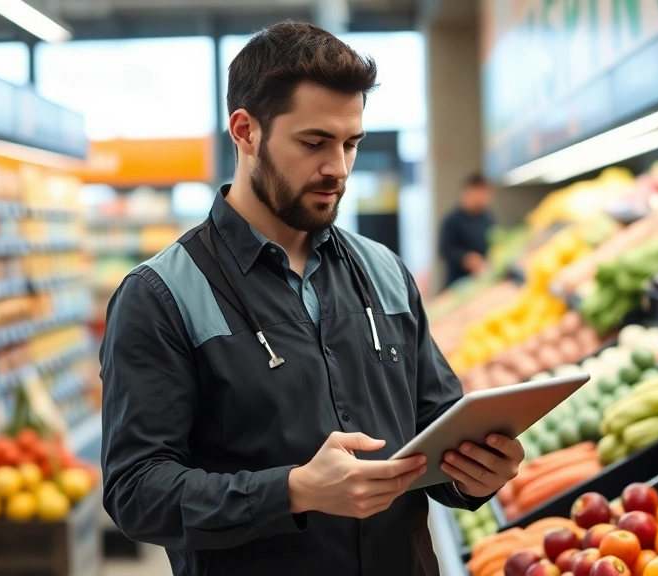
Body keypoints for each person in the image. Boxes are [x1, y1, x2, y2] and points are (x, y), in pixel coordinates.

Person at [99, 22, 523, 576]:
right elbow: (136, 491)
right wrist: (293, 491)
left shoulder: (385, 272)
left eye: (351, 144)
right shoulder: (161, 295)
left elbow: (434, 428)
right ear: (246, 131)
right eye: (314, 142)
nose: (339, 169)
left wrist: (476, 475)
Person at [439, 173, 495, 288]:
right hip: (457, 283)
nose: (481, 198)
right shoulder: (452, 220)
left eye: (485, 193)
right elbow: (445, 249)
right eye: (478, 192)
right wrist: (466, 258)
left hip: (480, 281)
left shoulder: (487, 218)